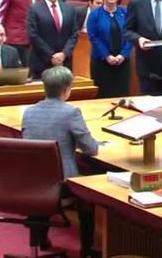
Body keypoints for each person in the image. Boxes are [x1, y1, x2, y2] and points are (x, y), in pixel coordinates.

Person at [21, 66, 99, 258]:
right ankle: (87, 250)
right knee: (88, 195)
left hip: (30, 182)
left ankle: (41, 239)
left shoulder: (29, 112)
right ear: (66, 89)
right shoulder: (71, 112)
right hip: (62, 184)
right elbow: (91, 149)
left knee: (44, 186)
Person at [27, 0, 79, 78]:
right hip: (42, 61)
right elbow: (33, 35)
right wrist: (52, 56)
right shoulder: (35, 9)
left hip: (65, 61)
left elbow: (74, 34)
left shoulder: (69, 9)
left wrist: (64, 54)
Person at [87, 0, 131, 98]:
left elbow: (130, 35)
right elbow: (93, 37)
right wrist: (107, 56)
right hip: (101, 62)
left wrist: (123, 55)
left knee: (122, 94)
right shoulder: (95, 14)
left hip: (122, 62)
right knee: (103, 95)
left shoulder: (125, 13)